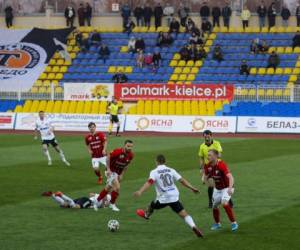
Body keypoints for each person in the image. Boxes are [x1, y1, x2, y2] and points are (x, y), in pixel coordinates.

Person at [134, 154, 203, 237]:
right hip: (174, 196)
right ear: (165, 162)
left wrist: (140, 191)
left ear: (156, 162)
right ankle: (193, 226)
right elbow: (182, 180)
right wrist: (192, 188)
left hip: (163, 199)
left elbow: (150, 182)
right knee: (184, 214)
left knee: (151, 205)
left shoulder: (154, 172)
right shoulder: (171, 170)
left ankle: (146, 215)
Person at [94, 140, 134, 212]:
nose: (129, 148)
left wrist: (121, 174)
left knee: (108, 188)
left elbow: (126, 165)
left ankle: (96, 201)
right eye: (128, 146)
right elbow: (108, 158)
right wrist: (108, 169)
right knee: (117, 187)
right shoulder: (117, 151)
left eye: (131, 146)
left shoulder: (131, 155)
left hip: (117, 173)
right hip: (110, 171)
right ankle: (112, 204)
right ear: (124, 145)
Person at [204, 150, 238, 232]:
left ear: (215, 156)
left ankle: (234, 223)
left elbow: (231, 177)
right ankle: (217, 224)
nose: (208, 157)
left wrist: (230, 188)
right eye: (208, 155)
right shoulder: (207, 166)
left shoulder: (221, 165)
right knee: (214, 206)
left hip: (227, 187)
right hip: (217, 189)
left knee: (224, 203)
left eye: (210, 155)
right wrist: (207, 182)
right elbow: (206, 176)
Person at [198, 130, 223, 208]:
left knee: (221, 185)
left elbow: (220, 155)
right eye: (205, 137)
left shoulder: (216, 143)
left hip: (218, 166)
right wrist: (201, 168)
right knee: (211, 186)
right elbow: (201, 158)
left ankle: (229, 201)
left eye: (208, 136)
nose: (207, 138)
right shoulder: (202, 146)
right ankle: (210, 202)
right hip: (208, 168)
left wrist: (212, 155)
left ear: (211, 136)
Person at [42, 190, 111, 209]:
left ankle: (53, 195)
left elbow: (90, 194)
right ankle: (61, 194)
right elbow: (91, 194)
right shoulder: (106, 198)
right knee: (76, 207)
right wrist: (104, 204)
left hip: (85, 199)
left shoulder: (100, 197)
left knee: (64, 205)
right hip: (88, 201)